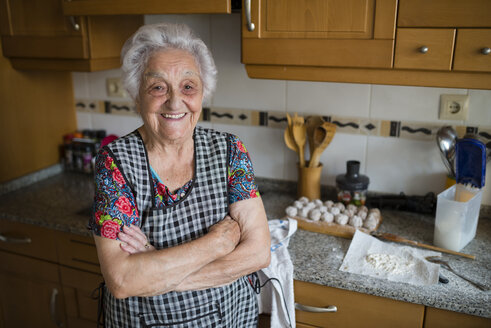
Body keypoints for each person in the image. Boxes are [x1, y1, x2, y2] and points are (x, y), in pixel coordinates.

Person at [89, 22, 271, 327]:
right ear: (137, 95)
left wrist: (159, 272)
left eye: (188, 86)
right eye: (158, 87)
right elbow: (122, 280)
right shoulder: (114, 164)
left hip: (231, 318)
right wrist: (217, 243)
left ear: (202, 94)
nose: (175, 101)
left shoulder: (229, 151)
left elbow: (258, 253)